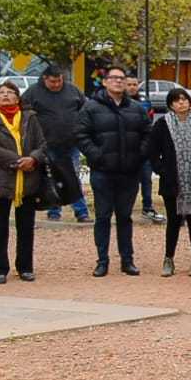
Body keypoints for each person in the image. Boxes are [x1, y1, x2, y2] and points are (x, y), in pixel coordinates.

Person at [76, 65, 151, 277]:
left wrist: (139, 156)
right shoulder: (91, 108)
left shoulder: (136, 108)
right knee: (103, 217)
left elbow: (148, 133)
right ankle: (102, 261)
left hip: (129, 171)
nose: (118, 81)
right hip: (103, 172)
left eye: (122, 78)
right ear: (105, 82)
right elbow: (81, 135)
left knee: (125, 217)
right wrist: (96, 155)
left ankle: (127, 260)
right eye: (114, 78)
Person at [0, 81, 47, 284]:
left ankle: (25, 267)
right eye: (1, 93)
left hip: (28, 180)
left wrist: (33, 158)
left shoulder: (30, 118)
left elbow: (43, 144)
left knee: (26, 227)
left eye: (10, 92)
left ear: (18, 97)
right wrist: (18, 161)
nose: (5, 95)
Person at [147, 87, 191, 277]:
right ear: (170, 104)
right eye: (177, 100)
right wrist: (162, 170)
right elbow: (152, 151)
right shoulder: (162, 124)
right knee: (173, 220)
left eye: (184, 99)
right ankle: (169, 259)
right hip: (172, 180)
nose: (181, 103)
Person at [23, 64, 88, 222]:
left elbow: (85, 109)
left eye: (59, 81)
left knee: (73, 177)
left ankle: (81, 212)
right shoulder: (33, 92)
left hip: (71, 143)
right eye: (53, 81)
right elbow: (23, 114)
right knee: (52, 177)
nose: (57, 84)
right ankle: (54, 211)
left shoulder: (73, 90)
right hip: (47, 144)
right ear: (45, 79)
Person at [124, 82, 163, 224]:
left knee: (146, 179)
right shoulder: (119, 103)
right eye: (129, 84)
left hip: (144, 149)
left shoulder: (145, 102)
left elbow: (149, 124)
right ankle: (125, 208)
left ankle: (147, 207)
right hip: (126, 149)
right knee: (128, 182)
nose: (132, 87)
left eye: (135, 84)